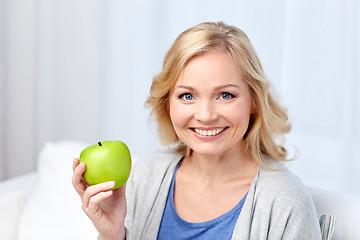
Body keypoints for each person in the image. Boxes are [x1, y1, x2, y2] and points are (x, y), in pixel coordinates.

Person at [72, 21, 322, 240]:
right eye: (187, 95)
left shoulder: (285, 203)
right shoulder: (146, 175)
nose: (205, 115)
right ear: (168, 103)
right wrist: (113, 235)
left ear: (254, 102)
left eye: (225, 95)